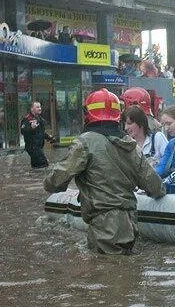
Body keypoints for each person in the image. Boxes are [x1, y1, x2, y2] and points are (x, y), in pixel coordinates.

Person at [44, 89, 165, 255]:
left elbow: (55, 182)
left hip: (104, 225)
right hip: (129, 222)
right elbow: (155, 186)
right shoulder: (130, 145)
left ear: (88, 113)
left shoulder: (85, 143)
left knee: (107, 273)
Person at [20, 101, 53, 169]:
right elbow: (22, 131)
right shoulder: (27, 118)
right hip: (33, 147)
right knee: (44, 165)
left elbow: (41, 132)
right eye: (37, 107)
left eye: (40, 107)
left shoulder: (39, 118)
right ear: (32, 109)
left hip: (38, 147)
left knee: (36, 167)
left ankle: (33, 178)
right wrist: (31, 128)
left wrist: (49, 137)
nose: (40, 108)